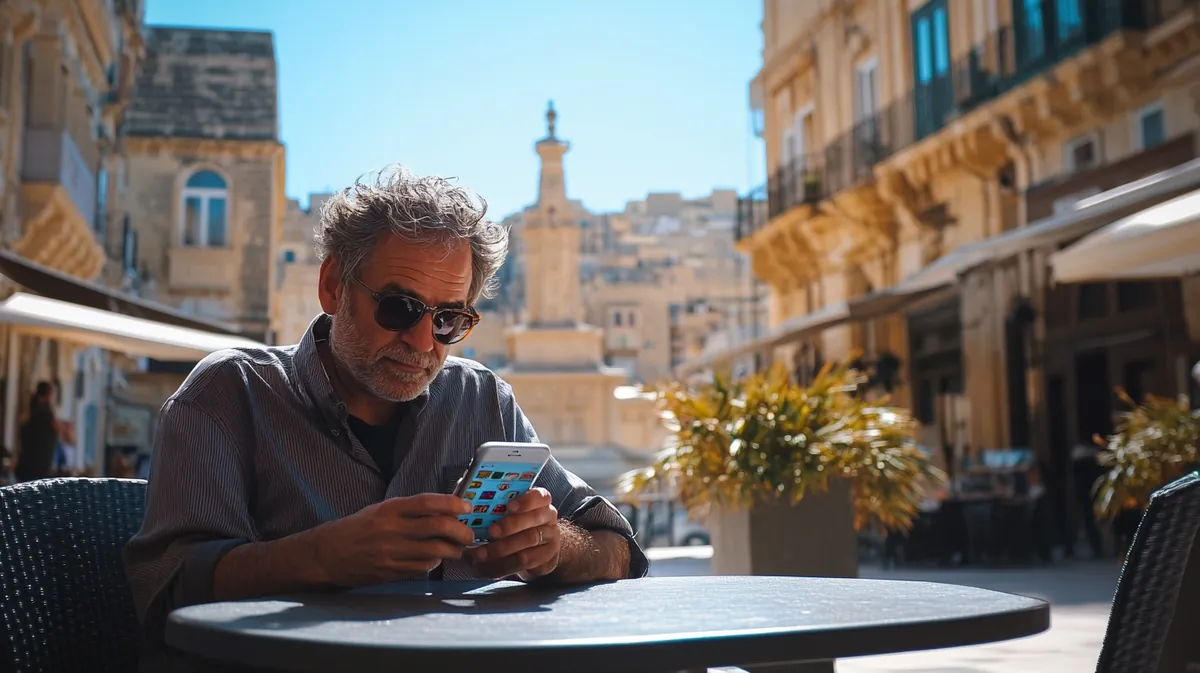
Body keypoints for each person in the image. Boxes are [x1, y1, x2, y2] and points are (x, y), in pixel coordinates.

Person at [124, 167, 647, 671]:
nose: (422, 343)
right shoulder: (231, 393)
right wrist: (320, 558)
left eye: (448, 319)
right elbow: (164, 593)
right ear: (333, 285)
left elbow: (620, 552)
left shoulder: (481, 401)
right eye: (399, 308)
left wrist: (552, 547)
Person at [15, 381, 59, 482]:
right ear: (48, 394)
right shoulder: (47, 412)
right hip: (40, 460)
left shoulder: (31, 408)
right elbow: (57, 429)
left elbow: (22, 424)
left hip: (26, 459)